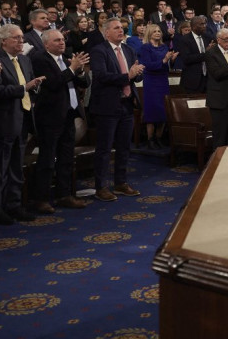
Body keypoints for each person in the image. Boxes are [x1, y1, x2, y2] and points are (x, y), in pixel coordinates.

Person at [0, 24, 44, 224]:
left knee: (17, 167)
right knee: (0, 168)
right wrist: (24, 88)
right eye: (17, 38)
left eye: (22, 38)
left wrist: (33, 88)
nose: (22, 41)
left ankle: (14, 205)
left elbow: (28, 87)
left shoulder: (25, 60)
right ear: (4, 41)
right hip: (3, 121)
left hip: (24, 118)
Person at [29, 30, 90, 212]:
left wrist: (78, 72)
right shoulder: (40, 59)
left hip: (69, 114)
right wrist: (72, 69)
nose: (62, 43)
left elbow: (84, 83)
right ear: (46, 44)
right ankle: (41, 199)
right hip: (50, 116)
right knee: (47, 160)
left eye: (63, 39)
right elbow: (53, 83)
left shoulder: (66, 58)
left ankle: (64, 195)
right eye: (57, 40)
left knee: (66, 159)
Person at [88, 18, 144, 201]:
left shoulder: (128, 50)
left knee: (124, 147)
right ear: (106, 33)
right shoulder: (99, 51)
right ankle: (101, 186)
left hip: (126, 104)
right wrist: (128, 75)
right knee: (104, 149)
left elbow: (132, 78)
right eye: (117, 28)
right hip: (107, 106)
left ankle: (120, 182)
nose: (122, 30)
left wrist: (136, 75)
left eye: (122, 27)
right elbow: (102, 76)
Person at [137, 23, 177, 149]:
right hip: (151, 81)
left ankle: (159, 138)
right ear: (150, 33)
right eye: (155, 31)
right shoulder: (145, 48)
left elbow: (166, 65)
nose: (158, 33)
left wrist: (171, 60)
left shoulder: (164, 47)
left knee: (163, 111)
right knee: (152, 111)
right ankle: (150, 139)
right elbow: (147, 65)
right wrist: (164, 60)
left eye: (159, 31)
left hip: (162, 80)